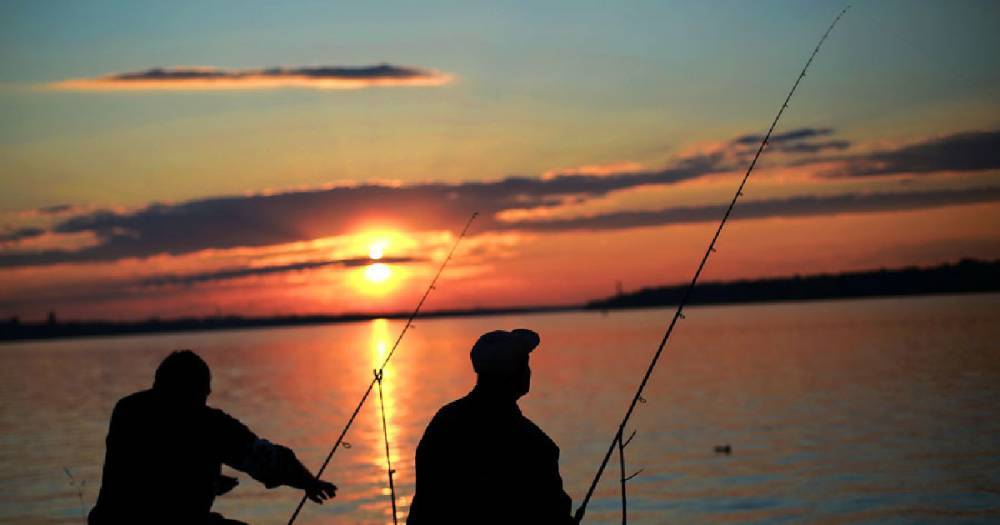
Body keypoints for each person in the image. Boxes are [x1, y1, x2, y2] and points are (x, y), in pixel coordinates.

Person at [88, 350, 337, 525]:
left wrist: (208, 480)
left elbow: (151, 472)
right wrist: (309, 483)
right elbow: (269, 461)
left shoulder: (128, 411)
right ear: (200, 391)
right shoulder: (209, 424)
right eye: (204, 392)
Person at [406, 329, 576, 524]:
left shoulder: (442, 422)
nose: (529, 371)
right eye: (524, 364)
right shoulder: (535, 446)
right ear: (513, 374)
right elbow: (554, 514)